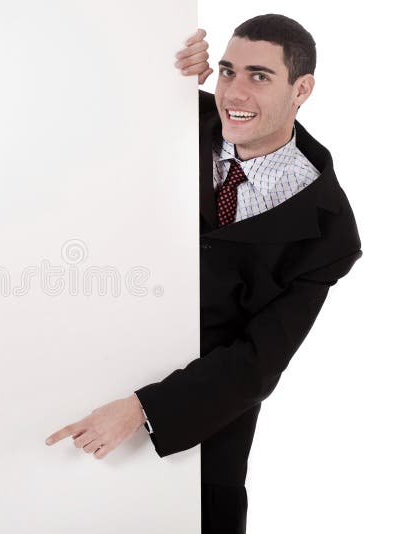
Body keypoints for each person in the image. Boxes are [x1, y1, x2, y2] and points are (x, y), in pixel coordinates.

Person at [45, 14, 362, 533]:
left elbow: (258, 361)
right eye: (227, 70)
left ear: (301, 88)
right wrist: (157, 64)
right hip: (81, 370)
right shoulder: (177, 119)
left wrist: (143, 408)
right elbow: (79, 95)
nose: (233, 91)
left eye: (259, 76)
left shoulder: (329, 229)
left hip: (200, 424)